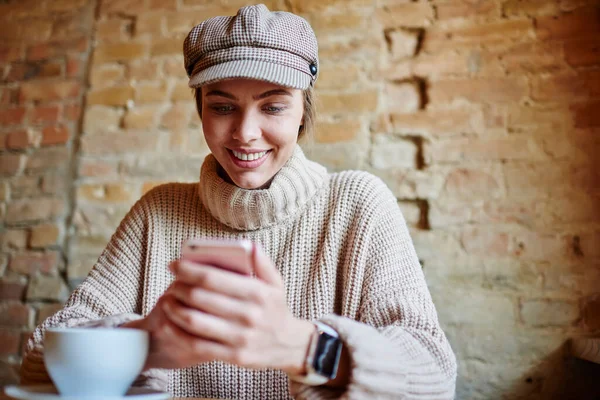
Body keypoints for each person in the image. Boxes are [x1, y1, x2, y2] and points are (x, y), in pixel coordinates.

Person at [20, 4, 457, 399]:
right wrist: (141, 341)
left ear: (303, 110)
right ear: (200, 109)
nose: (246, 133)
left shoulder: (358, 205)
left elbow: (434, 375)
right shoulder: (157, 213)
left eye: (273, 107)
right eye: (223, 106)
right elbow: (39, 361)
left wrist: (302, 346)